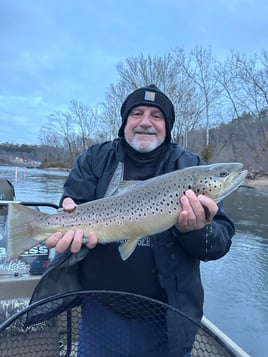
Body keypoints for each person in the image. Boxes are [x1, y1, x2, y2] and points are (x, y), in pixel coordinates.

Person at [30, 84, 235, 356]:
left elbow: (219, 244)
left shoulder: (189, 167)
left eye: (156, 116)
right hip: (99, 310)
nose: (146, 122)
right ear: (125, 121)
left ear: (168, 126)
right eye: (137, 113)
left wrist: (195, 231)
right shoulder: (95, 159)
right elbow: (72, 204)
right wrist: (65, 218)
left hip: (168, 317)